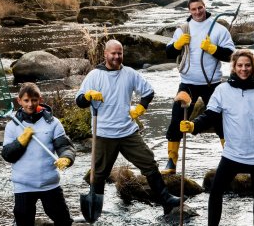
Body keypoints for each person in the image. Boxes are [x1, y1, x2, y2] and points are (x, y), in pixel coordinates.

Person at [180, 49, 254, 226]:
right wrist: (193, 126)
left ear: (253, 67)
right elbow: (209, 116)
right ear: (234, 67)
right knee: (216, 190)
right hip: (233, 153)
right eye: (240, 65)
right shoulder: (222, 91)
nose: (243, 69)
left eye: (247, 65)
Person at [75, 39, 181, 215]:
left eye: (120, 53)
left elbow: (148, 92)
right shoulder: (94, 76)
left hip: (127, 132)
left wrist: (141, 107)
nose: (117, 56)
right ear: (105, 54)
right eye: (113, 53)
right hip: (104, 133)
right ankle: (95, 210)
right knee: (99, 174)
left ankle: (166, 200)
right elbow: (79, 101)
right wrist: (88, 96)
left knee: (149, 162)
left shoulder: (130, 73)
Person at [2, 82, 82, 226]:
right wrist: (21, 140)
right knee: (22, 225)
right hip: (23, 186)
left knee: (63, 220)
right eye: (26, 100)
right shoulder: (12, 126)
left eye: (34, 100)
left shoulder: (52, 123)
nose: (30, 104)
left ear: (40, 100)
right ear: (19, 101)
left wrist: (66, 158)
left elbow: (65, 146)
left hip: (50, 184)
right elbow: (8, 155)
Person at [163, 0, 236, 174]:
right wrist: (178, 44)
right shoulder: (183, 29)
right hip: (188, 83)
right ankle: (171, 162)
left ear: (205, 7)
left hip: (213, 83)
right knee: (176, 120)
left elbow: (231, 56)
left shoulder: (218, 29)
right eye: (193, 9)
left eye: (200, 8)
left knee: (222, 120)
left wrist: (213, 49)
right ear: (189, 10)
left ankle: (231, 158)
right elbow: (168, 52)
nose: (197, 12)